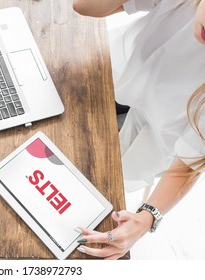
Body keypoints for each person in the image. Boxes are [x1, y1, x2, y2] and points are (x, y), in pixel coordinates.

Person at [72, 0, 205, 259]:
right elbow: (84, 7)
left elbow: (187, 164)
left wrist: (147, 218)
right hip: (98, 78)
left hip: (144, 142)